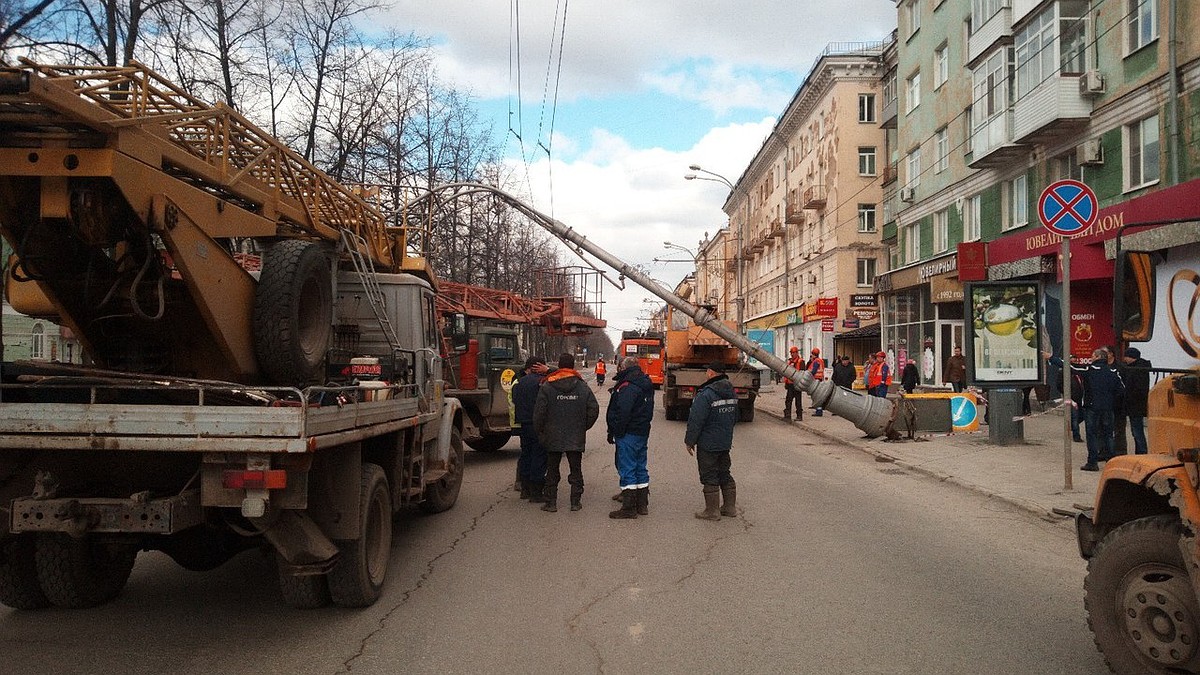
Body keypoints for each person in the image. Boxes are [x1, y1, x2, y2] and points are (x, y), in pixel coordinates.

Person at [533, 353, 600, 512]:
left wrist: (541, 433)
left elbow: (539, 414)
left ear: (559, 365)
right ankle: (575, 502)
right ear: (573, 366)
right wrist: (583, 426)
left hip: (552, 435)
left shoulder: (547, 386)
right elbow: (594, 409)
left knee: (552, 470)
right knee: (575, 470)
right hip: (575, 435)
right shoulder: (582, 386)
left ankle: (551, 503)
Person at [1051, 349, 1124, 471]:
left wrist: (1052, 358)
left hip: (1092, 407)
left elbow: (1070, 367)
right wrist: (1111, 400)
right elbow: (1121, 389)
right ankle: (1111, 462)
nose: (1091, 357)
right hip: (1108, 408)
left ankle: (1092, 462)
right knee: (1109, 435)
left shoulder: (1090, 369)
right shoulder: (1113, 371)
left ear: (1097, 357)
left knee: (1092, 435)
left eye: (1093, 355)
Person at [685, 361, 740, 521]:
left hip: (708, 443)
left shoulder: (706, 394)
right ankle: (730, 508)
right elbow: (735, 417)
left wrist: (690, 441)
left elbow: (696, 420)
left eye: (707, 371)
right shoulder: (731, 391)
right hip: (724, 442)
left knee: (709, 474)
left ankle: (712, 511)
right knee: (725, 472)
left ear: (710, 373)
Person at [606, 356, 654, 519]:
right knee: (640, 467)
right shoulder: (644, 383)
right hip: (641, 431)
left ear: (624, 368)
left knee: (627, 468)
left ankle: (628, 508)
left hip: (628, 433)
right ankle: (642, 505)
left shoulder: (628, 386)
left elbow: (623, 412)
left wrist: (616, 431)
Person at [512, 356, 550, 503]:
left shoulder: (519, 382)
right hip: (539, 425)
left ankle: (525, 489)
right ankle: (536, 492)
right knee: (539, 457)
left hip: (523, 424)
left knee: (526, 455)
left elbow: (515, 400)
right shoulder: (543, 383)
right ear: (540, 367)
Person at [1121, 347, 1151, 455]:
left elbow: (1137, 388)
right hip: (1136, 404)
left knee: (1137, 431)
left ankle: (1142, 452)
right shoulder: (1141, 367)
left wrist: (1129, 396)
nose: (1124, 359)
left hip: (1135, 404)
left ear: (1131, 357)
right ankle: (1140, 451)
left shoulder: (1136, 369)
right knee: (1136, 430)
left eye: (1126, 356)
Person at [783, 346, 805, 421]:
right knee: (788, 400)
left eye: (793, 353)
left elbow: (802, 373)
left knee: (798, 401)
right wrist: (786, 383)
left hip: (797, 384)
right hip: (790, 384)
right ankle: (787, 415)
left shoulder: (801, 361)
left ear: (797, 353)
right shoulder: (789, 362)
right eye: (791, 353)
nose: (792, 354)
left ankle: (799, 416)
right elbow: (786, 373)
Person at [807, 348, 826, 416]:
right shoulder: (821, 360)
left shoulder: (816, 361)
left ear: (813, 354)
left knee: (816, 395)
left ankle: (819, 411)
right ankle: (818, 409)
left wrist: (809, 376)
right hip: (820, 379)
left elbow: (814, 371)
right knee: (818, 395)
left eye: (812, 354)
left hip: (816, 380)